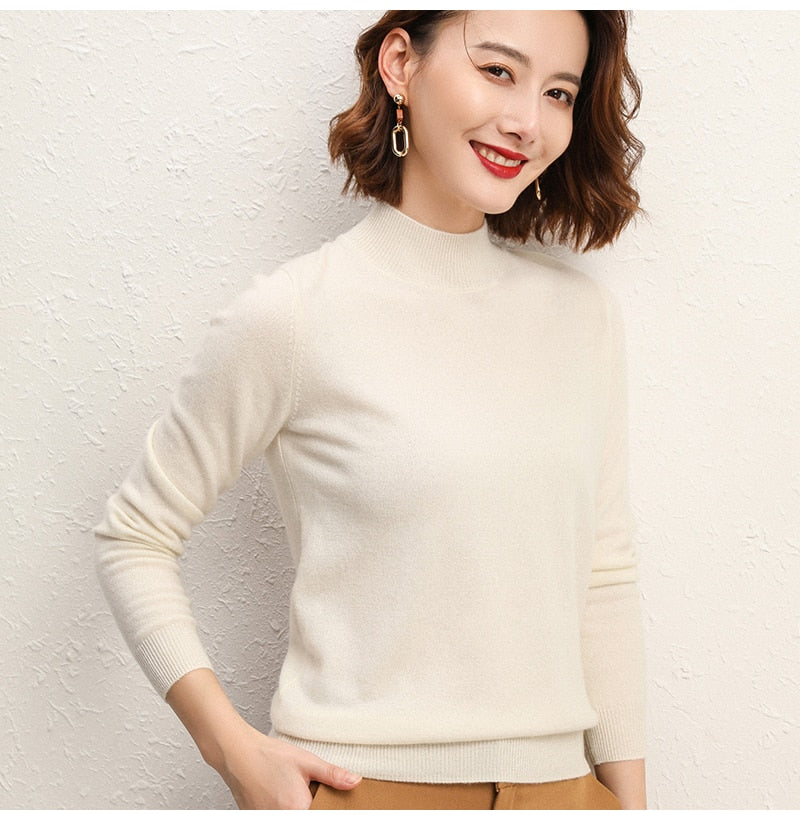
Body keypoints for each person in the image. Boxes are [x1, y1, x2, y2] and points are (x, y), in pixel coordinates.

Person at [95, 10, 646, 810]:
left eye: (559, 92)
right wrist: (232, 751)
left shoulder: (582, 318)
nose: (528, 121)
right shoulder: (295, 316)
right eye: (498, 70)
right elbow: (134, 535)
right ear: (400, 65)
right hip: (368, 787)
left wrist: (627, 801)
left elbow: (605, 570)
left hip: (566, 790)